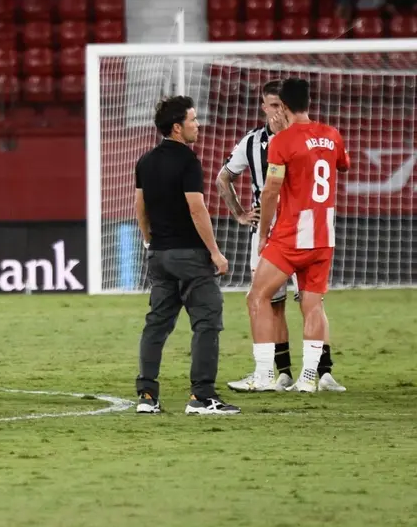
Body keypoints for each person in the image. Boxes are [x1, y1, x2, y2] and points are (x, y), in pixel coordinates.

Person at [218, 80, 346, 392]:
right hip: (323, 232)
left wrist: (262, 233)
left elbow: (272, 189)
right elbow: (342, 165)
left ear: (285, 107)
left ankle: (263, 375)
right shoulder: (332, 134)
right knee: (311, 305)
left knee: (257, 297)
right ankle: (306, 377)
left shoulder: (282, 141)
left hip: (289, 233)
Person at [133, 95, 240, 416]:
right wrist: (215, 253)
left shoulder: (145, 161)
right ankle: (202, 396)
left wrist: (150, 241)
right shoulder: (188, 162)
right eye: (193, 119)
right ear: (177, 127)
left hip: (160, 256)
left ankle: (147, 395)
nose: (198, 125)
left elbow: (140, 206)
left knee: (157, 324)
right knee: (207, 322)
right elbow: (197, 209)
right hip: (190, 256)